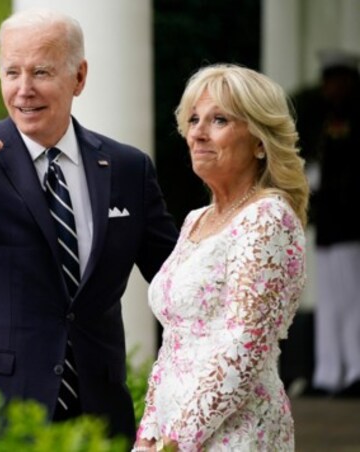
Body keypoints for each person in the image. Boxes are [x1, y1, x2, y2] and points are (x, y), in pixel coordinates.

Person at [0, 8, 179, 441]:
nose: (24, 90)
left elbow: (177, 281)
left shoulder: (127, 167)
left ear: (79, 77)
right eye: (12, 72)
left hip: (96, 411)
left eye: (41, 71)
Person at [133, 64, 309, 452]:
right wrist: (148, 435)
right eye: (193, 120)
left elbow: (245, 345)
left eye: (219, 120)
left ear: (260, 141)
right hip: (172, 432)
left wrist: (174, 441)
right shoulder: (197, 219)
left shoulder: (267, 217)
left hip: (238, 434)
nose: (197, 133)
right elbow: (173, 342)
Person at [293, 49, 360, 398]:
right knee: (332, 300)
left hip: (351, 224)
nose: (329, 89)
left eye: (335, 81)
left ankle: (355, 370)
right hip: (330, 226)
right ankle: (330, 373)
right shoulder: (326, 120)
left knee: (352, 300)